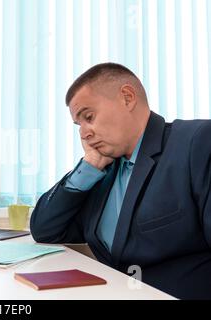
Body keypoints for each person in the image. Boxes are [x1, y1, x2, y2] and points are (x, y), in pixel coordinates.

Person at [30, 62, 211, 299]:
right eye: (79, 124)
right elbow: (45, 230)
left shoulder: (196, 142)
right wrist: (88, 167)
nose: (84, 133)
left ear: (127, 98)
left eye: (89, 116)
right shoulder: (101, 172)